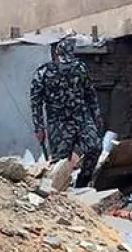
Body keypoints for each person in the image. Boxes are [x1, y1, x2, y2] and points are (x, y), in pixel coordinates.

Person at [30, 37, 104, 184]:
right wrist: (39, 127)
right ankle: (59, 194)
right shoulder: (43, 73)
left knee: (95, 148)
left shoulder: (80, 68)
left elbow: (90, 93)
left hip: (81, 117)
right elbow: (36, 101)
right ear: (56, 55)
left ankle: (82, 183)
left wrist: (96, 115)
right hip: (58, 122)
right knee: (60, 161)